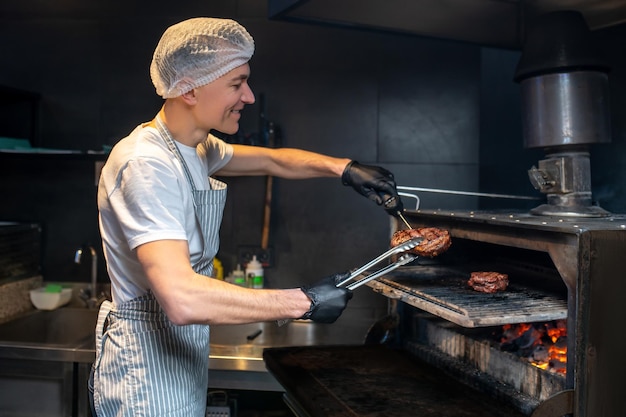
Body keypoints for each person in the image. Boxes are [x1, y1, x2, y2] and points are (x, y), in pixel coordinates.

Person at [91, 17, 404, 417]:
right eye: (237, 84)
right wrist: (303, 302)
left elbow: (274, 160)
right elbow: (182, 298)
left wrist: (344, 168)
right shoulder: (146, 165)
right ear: (189, 88)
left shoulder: (196, 147)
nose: (250, 97)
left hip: (177, 357)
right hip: (144, 373)